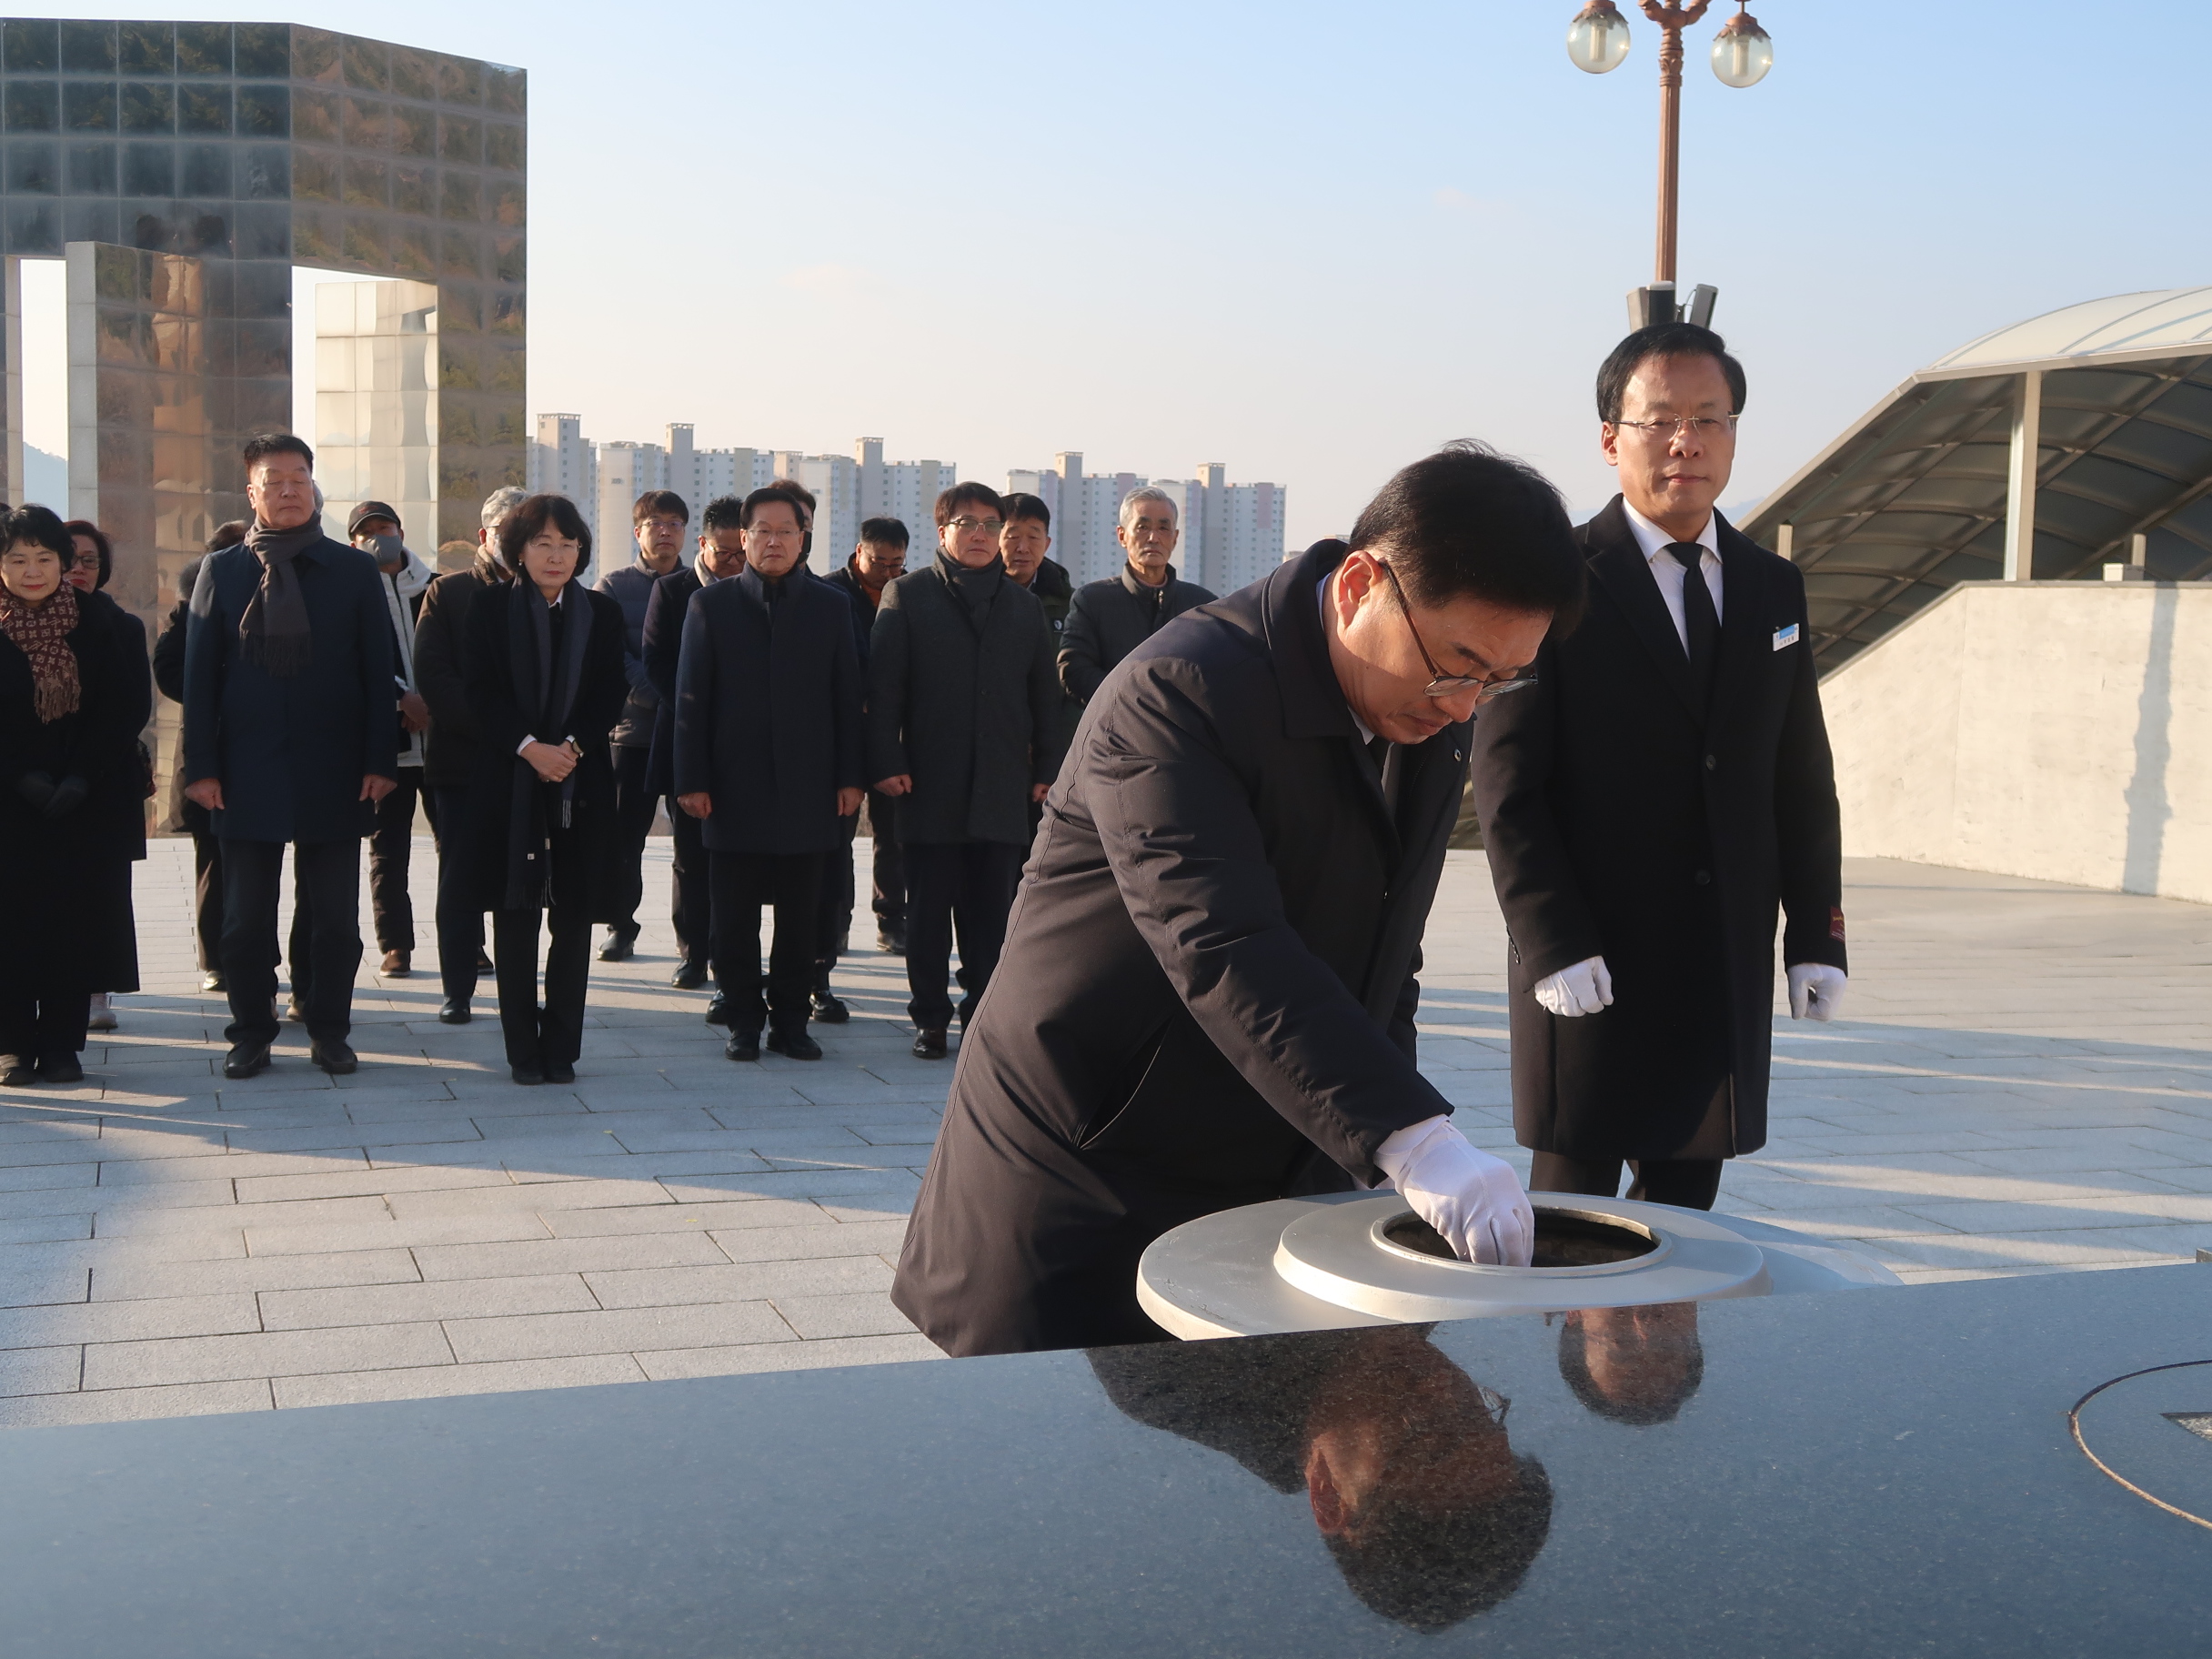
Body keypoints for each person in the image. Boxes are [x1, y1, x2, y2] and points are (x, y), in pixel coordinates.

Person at [890, 444, 1584, 1355]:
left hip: (1264, 1163)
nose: (1465, 708)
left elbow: (1384, 955)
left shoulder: (1419, 714)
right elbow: (1217, 938)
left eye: (1500, 681)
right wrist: (1410, 1138)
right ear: (1356, 588)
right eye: (1457, 667)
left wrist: (1386, 1153)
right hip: (1090, 1171)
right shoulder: (1178, 693)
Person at [1468, 323, 1848, 1213]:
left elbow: (1798, 775)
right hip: (1589, 961)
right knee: (1570, 1224)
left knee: (1685, 1228)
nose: (1686, 441)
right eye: (1660, 421)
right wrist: (1549, 939)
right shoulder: (1552, 576)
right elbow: (1505, 786)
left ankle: (1664, 1362)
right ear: (1610, 439)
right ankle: (1562, 1357)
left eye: (1709, 418)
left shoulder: (1769, 586)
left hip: (1719, 959)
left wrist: (1815, 936)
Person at [1092, 1326, 1553, 1632]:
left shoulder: (1166, 1375)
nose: (1441, 1384)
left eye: (1425, 1432)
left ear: (1329, 1494)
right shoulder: (1419, 1309)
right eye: (1477, 1412)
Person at [183, 434, 397, 1081]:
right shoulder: (222, 571)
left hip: (335, 769)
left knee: (334, 918)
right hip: (247, 771)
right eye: (273, 480)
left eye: (298, 478)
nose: (288, 489)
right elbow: (199, 681)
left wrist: (379, 759)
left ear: (313, 485)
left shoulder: (354, 569)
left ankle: (330, 1029)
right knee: (246, 920)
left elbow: (376, 669)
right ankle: (251, 1031)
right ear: (251, 493)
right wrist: (202, 768)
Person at [866, 482, 1061, 1060]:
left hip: (1001, 786)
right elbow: (883, 693)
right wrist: (887, 761)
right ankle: (929, 1017)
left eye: (989, 525)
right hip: (928, 783)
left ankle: (981, 1013)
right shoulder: (907, 595)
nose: (980, 534)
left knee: (991, 915)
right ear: (943, 530)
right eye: (967, 523)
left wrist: (1048, 768)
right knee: (925, 914)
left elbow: (1044, 702)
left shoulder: (1023, 607)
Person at [674, 487, 864, 1062]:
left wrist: (850, 777)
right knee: (732, 917)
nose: (774, 541)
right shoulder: (711, 605)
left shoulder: (832, 606)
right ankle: (742, 1021)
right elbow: (690, 699)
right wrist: (691, 779)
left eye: (786, 531)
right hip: (733, 787)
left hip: (811, 788)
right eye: (762, 530)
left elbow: (847, 697)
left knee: (802, 916)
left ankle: (790, 1023)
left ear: (803, 538)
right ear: (744, 537)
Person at [457, 493, 626, 1085]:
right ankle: (521, 1050)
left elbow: (611, 691)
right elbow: (477, 693)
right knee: (515, 914)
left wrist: (571, 750)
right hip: (509, 779)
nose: (557, 556)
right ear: (518, 550)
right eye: (543, 543)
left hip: (581, 782)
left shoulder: (601, 614)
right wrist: (531, 748)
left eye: (568, 543)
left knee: (574, 916)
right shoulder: (486, 609)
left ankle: (562, 1047)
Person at [0, 506, 150, 1086]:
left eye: (44, 558)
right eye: (17, 559)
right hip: (9, 803)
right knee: (11, 923)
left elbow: (126, 709)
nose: (32, 571)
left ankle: (64, 1045)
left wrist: (80, 776)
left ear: (65, 563)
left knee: (75, 925)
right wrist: (20, 777)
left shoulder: (112, 626)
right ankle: (13, 1044)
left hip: (88, 801)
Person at [412, 486, 526, 1024]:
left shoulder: (546, 593)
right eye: (509, 531)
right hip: (462, 763)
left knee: (519, 881)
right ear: (485, 536)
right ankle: (457, 988)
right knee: (459, 880)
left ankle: (517, 989)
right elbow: (434, 675)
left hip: (529, 767)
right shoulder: (448, 593)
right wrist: (500, 731)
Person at [641, 503, 750, 990]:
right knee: (690, 854)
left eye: (738, 552)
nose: (733, 562)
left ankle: (732, 952)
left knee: (737, 858)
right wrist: (697, 712)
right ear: (703, 545)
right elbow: (657, 662)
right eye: (724, 553)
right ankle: (692, 952)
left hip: (742, 746)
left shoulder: (758, 592)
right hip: (686, 739)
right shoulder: (672, 590)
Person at [152, 521, 247, 993]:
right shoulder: (192, 607)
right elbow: (170, 673)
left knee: (255, 864)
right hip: (209, 750)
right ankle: (217, 960)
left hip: (262, 754)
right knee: (213, 859)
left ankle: (256, 956)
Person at [594, 489, 689, 962]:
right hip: (631, 734)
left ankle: (691, 938)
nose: (665, 532)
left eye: (674, 523)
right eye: (656, 524)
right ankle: (621, 925)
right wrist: (659, 694)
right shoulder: (612, 587)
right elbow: (612, 656)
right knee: (624, 839)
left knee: (691, 844)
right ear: (638, 531)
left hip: (685, 736)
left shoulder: (701, 587)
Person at [817, 516, 909, 981]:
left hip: (893, 733)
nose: (887, 573)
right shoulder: (830, 592)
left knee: (893, 834)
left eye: (897, 564)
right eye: (878, 562)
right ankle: (836, 925)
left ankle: (891, 918)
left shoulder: (911, 592)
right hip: (846, 731)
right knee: (840, 833)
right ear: (858, 552)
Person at [347, 500, 435, 979]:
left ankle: (471, 943)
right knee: (388, 852)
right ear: (354, 543)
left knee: (459, 847)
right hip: (389, 747)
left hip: (443, 745)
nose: (379, 536)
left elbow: (454, 653)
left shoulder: (435, 586)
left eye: (386, 528)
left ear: (401, 531)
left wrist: (432, 702)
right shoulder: (351, 591)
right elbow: (354, 660)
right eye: (367, 532)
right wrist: (402, 699)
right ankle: (396, 944)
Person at [61, 518, 128, 1032]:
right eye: (70, 558)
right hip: (36, 781)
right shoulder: (18, 623)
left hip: (102, 778)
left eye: (90, 560)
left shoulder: (119, 624)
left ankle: (95, 990)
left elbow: (127, 711)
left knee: (100, 891)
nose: (79, 569)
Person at [1058, 486, 1217, 703]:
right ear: (1122, 535)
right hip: (1115, 728)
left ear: (1175, 538)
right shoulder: (1092, 600)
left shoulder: (1202, 607)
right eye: (1143, 527)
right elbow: (1075, 670)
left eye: (1163, 528)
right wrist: (1133, 702)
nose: (1153, 537)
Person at [1000, 493, 1080, 836]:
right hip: (999, 750)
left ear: (1046, 542)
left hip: (1053, 757)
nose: (1023, 546)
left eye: (1033, 536)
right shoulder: (978, 597)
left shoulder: (1071, 602)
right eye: (1012, 535)